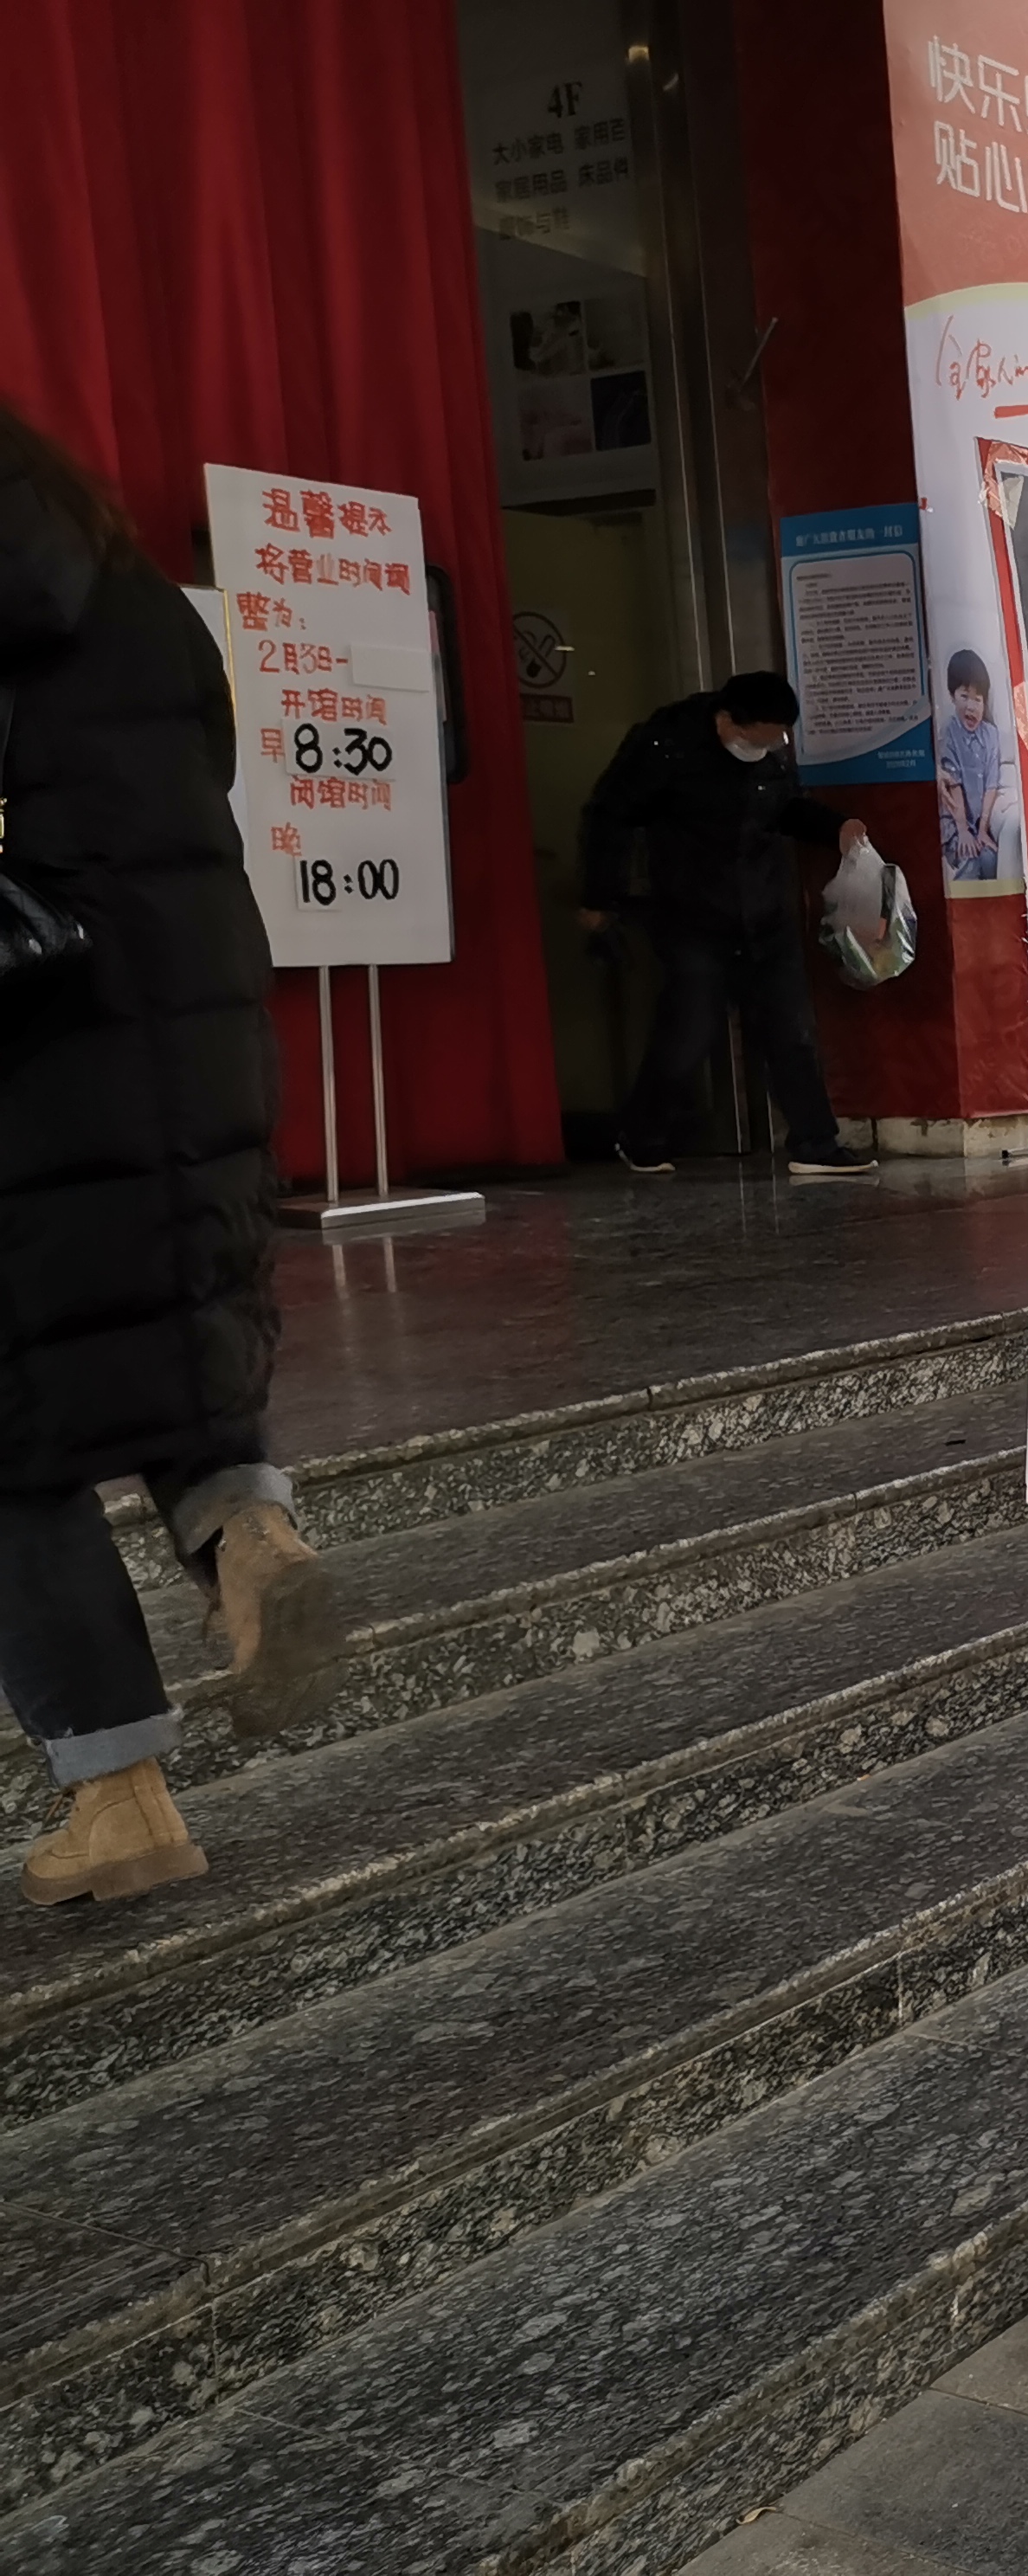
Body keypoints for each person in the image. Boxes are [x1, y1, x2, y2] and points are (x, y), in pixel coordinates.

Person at [0, 401, 344, 1903]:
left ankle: (119, 1799)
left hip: (27, 1028)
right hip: (192, 1013)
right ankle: (249, 1539)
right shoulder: (138, 597)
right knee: (165, 1320)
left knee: (14, 1425)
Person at [578, 671, 878, 1177]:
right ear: (728, 723)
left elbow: (785, 810)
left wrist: (836, 828)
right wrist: (598, 897)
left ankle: (815, 1142)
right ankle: (642, 1136)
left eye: (777, 739)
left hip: (763, 908)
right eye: (759, 738)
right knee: (689, 1031)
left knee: (792, 1030)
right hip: (690, 911)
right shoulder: (666, 744)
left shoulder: (772, 755)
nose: (768, 748)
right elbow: (609, 815)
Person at [935, 649, 1019, 885]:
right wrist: (963, 830)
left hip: (978, 823)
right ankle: (963, 906)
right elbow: (953, 785)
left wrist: (982, 829)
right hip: (956, 823)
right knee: (970, 861)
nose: (971, 706)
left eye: (977, 699)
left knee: (990, 858)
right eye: (964, 696)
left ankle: (992, 907)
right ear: (952, 696)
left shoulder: (991, 735)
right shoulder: (948, 733)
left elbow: (992, 784)